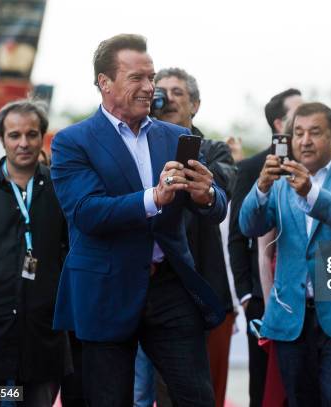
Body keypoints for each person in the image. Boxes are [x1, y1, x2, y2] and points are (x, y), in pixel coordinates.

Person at [50, 34, 227, 406]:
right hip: (106, 288)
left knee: (197, 397)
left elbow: (216, 208)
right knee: (109, 399)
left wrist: (206, 194)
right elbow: (86, 212)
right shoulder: (72, 142)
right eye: (137, 78)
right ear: (105, 82)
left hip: (170, 287)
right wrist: (153, 198)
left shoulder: (178, 136)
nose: (150, 87)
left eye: (151, 77)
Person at [239, 102, 331, 406]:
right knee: (298, 400)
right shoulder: (280, 183)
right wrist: (261, 187)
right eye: (298, 133)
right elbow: (248, 225)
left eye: (314, 132)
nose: (304, 140)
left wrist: (311, 193)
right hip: (292, 316)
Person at [0, 99, 71, 406]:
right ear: (2, 138)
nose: (23, 143)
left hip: (42, 333)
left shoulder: (59, 187)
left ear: (42, 136)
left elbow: (71, 248)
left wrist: (56, 293)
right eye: (14, 135)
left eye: (31, 134)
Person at [153, 66, 237, 407]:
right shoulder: (140, 145)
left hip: (205, 286)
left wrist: (179, 142)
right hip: (152, 288)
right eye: (160, 92)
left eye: (177, 93)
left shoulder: (215, 150)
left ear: (195, 105)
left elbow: (221, 185)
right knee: (151, 392)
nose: (167, 98)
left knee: (204, 393)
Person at [228, 88, 302, 406]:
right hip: (260, 298)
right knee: (262, 386)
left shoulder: (314, 167)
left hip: (305, 293)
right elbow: (237, 234)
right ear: (279, 122)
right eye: (298, 114)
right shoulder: (251, 168)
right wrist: (247, 294)